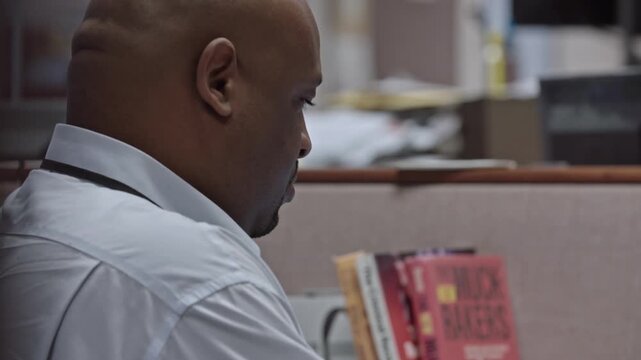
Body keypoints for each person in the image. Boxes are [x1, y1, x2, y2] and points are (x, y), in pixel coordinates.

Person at [0, 0, 323, 358]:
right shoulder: (197, 287)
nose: (304, 142)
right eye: (300, 101)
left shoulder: (24, 220)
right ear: (219, 82)